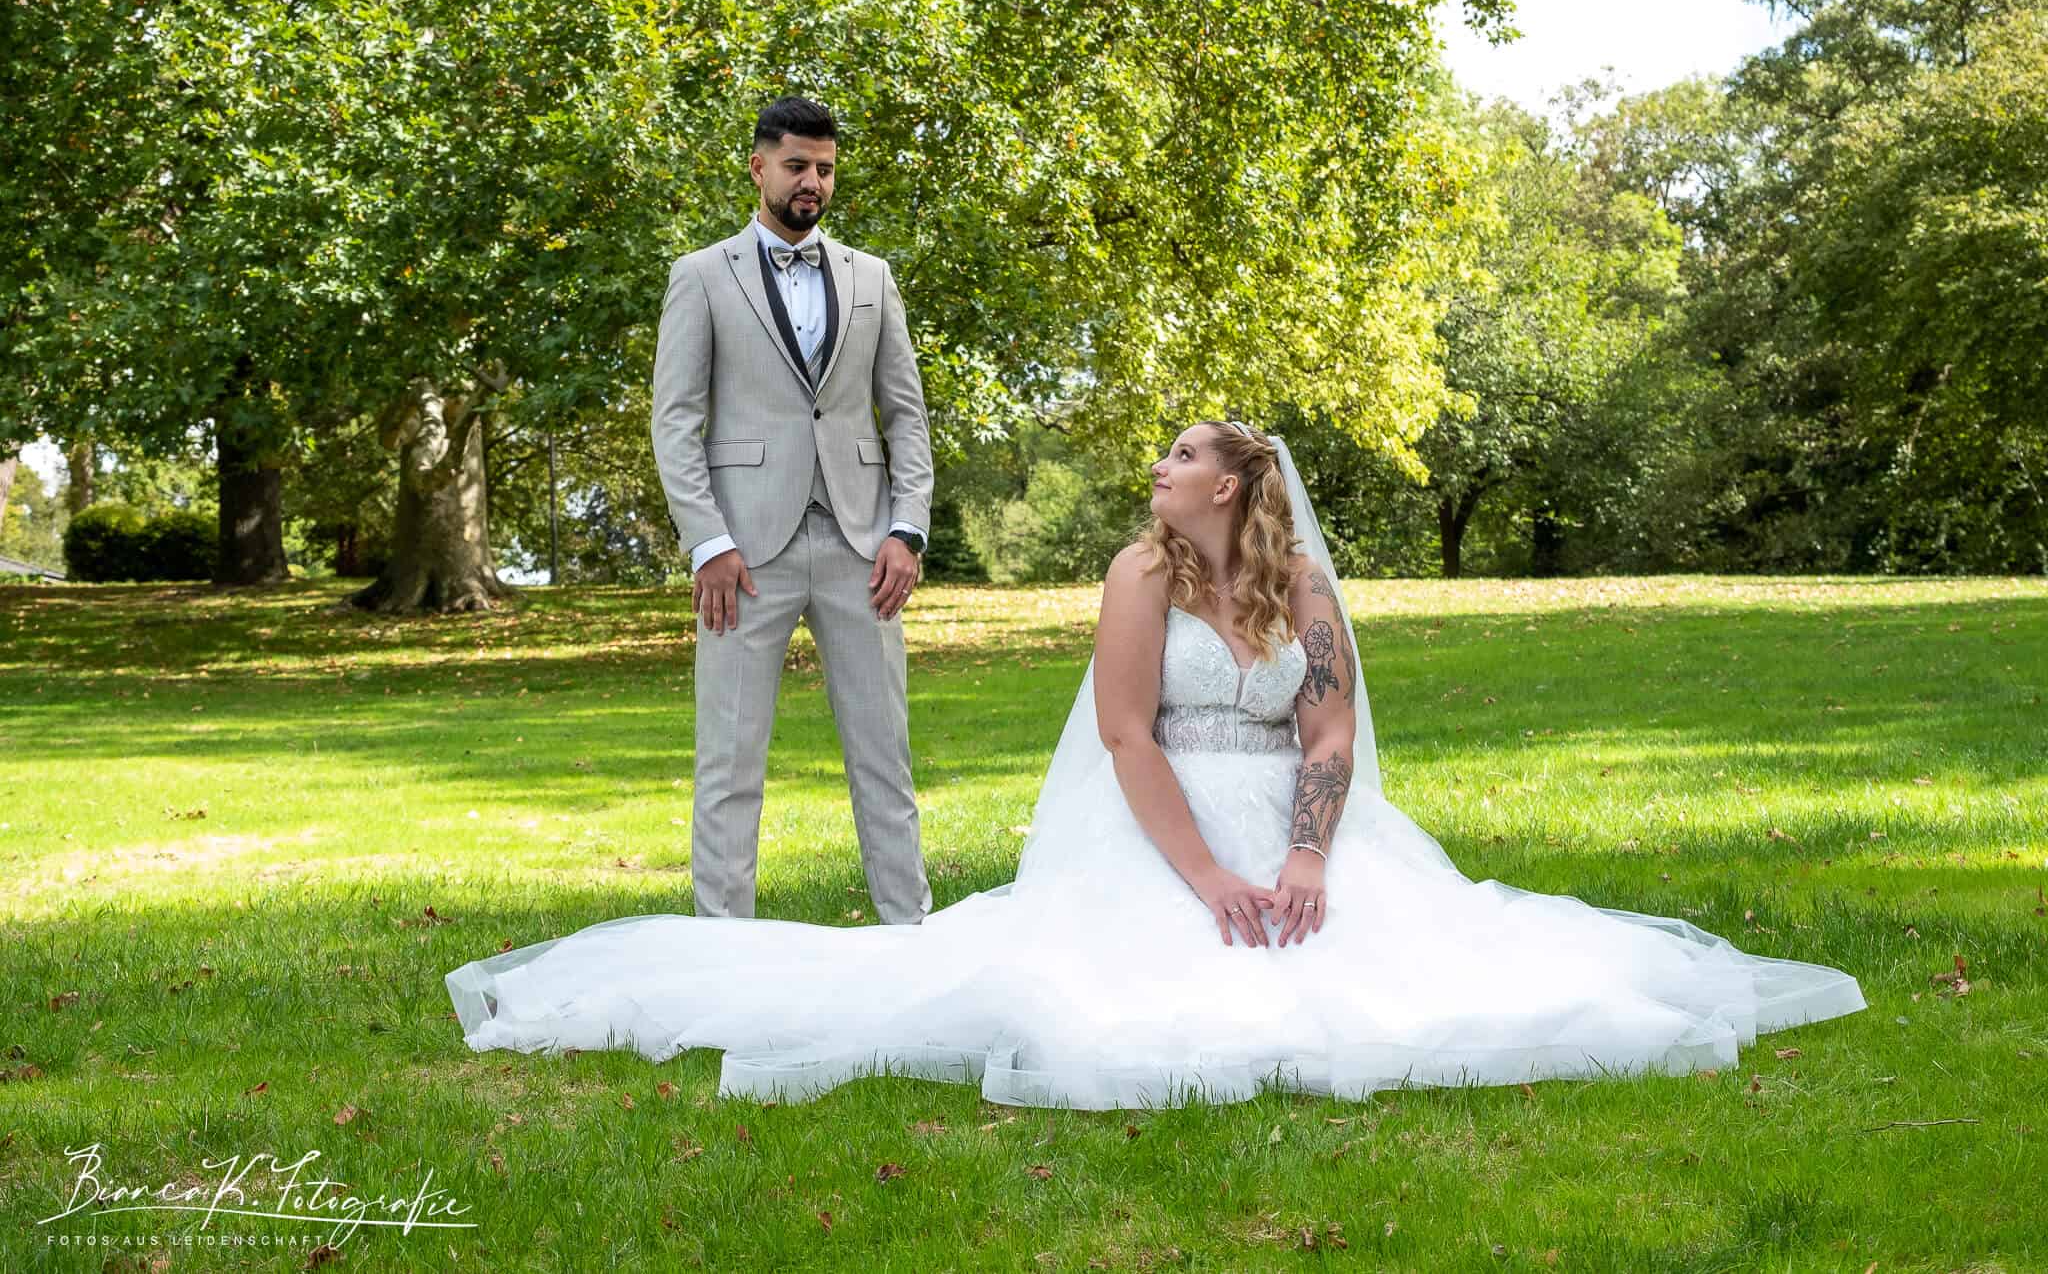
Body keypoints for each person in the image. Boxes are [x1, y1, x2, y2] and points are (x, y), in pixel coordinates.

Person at [449, 422, 1865, 1109]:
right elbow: (1127, 734)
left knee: (1432, 971)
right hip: (1161, 825)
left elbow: (1329, 731)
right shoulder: (1138, 574)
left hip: (1294, 827)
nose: (1161, 465)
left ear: (1232, 485)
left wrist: (1302, 854)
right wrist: (1208, 878)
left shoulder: (1302, 586)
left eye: (1183, 455)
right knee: (1128, 987)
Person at [649, 96, 934, 926]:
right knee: (729, 762)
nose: (814, 181)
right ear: (759, 167)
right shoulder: (702, 275)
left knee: (885, 757)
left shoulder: (872, 277)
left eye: (827, 169)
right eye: (798, 165)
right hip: (744, 555)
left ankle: (910, 936)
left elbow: (906, 415)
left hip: (862, 548)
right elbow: (675, 421)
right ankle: (723, 952)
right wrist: (708, 542)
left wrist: (907, 528)